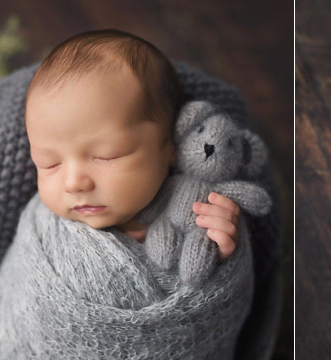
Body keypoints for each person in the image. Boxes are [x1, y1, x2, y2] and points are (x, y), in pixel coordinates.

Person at [24, 29, 242, 257]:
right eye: (49, 163)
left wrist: (218, 251)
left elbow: (212, 285)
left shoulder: (193, 209)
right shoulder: (43, 232)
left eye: (106, 156)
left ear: (172, 144)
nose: (73, 183)